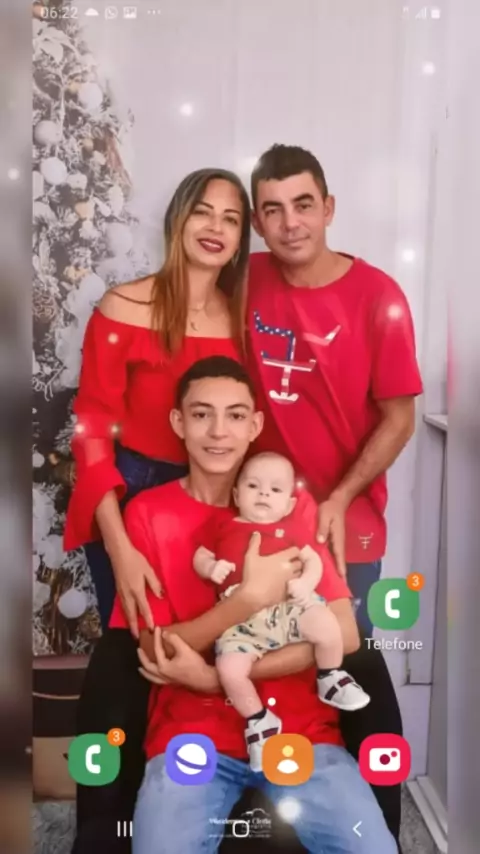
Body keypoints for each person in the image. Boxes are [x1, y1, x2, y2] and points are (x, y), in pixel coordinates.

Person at [103, 355, 397, 854]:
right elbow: (156, 650)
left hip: (303, 733)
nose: (219, 431)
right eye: (201, 414)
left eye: (236, 415)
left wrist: (214, 676)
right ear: (178, 422)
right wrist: (248, 600)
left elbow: (344, 633)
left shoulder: (293, 506)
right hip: (192, 737)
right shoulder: (148, 514)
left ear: (255, 424)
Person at [246, 144, 423, 636]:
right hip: (260, 520)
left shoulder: (378, 296)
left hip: (345, 523)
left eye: (303, 205)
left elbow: (400, 420)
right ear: (257, 223)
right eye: (273, 210)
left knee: (346, 660)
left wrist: (341, 498)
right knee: (255, 657)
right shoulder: (243, 280)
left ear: (328, 208)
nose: (290, 224)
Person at [63, 168, 251, 631]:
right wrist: (120, 548)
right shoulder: (123, 307)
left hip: (218, 499)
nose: (215, 227)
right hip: (132, 493)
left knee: (209, 643)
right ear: (177, 221)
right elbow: (92, 431)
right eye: (202, 212)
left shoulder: (242, 319)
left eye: (230, 219)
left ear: (240, 240)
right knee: (136, 646)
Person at [194, 451, 370, 771]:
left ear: (289, 504)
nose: (263, 494)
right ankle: (259, 721)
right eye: (253, 486)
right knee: (229, 669)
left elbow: (313, 560)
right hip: (240, 620)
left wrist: (306, 583)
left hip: (287, 608)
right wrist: (211, 567)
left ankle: (330, 676)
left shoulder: (290, 529)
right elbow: (201, 554)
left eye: (275, 490)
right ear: (236, 495)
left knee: (326, 624)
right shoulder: (224, 525)